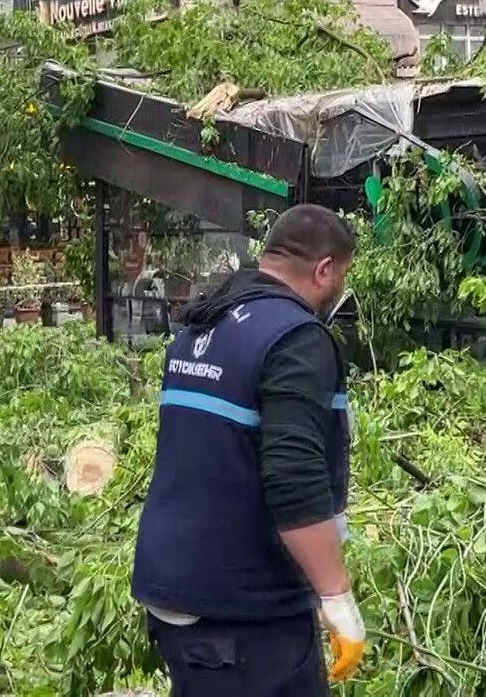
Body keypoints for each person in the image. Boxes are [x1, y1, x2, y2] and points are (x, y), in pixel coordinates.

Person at [132, 204, 364, 695]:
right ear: (325, 269)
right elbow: (294, 478)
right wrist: (338, 598)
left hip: (175, 590)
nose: (340, 291)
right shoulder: (297, 337)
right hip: (242, 615)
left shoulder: (202, 325)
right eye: (342, 277)